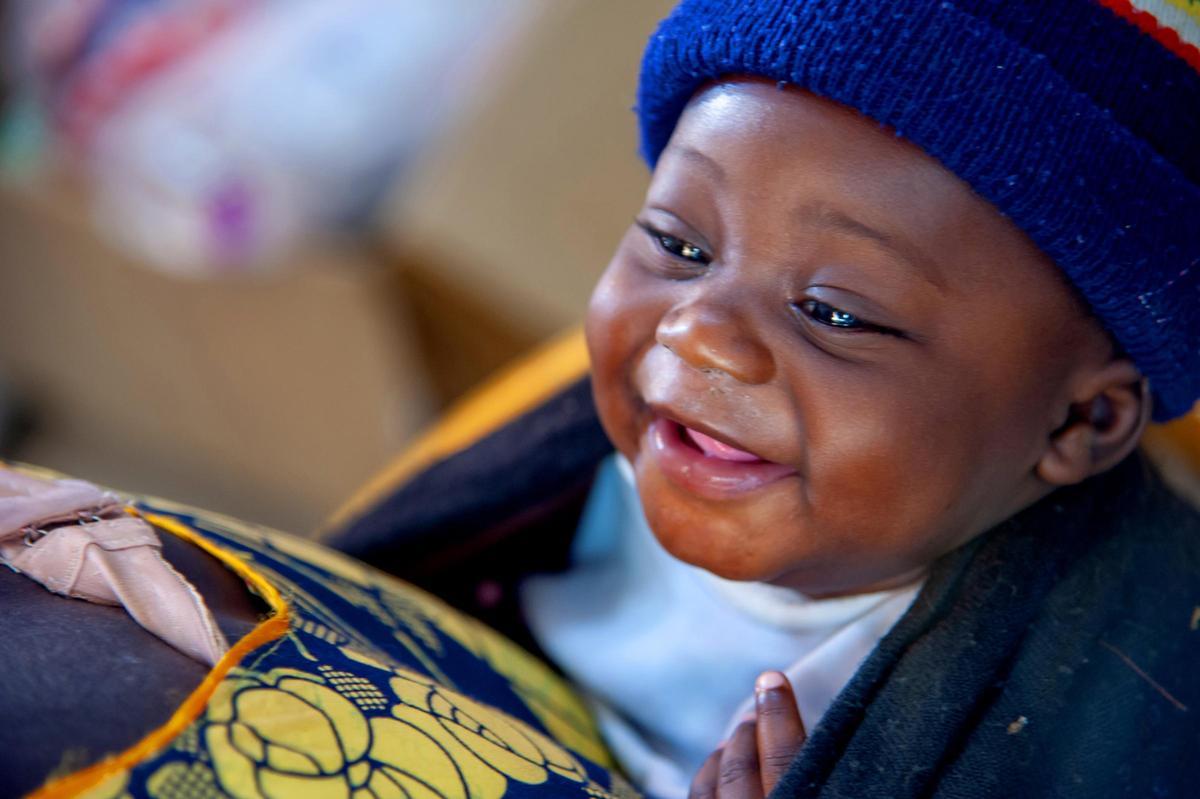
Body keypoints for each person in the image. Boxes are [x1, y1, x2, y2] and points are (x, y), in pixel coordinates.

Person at [329, 1, 1200, 798]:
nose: (695, 331)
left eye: (833, 312)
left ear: (1084, 421)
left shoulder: (1133, 719)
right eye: (679, 244)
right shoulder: (546, 454)